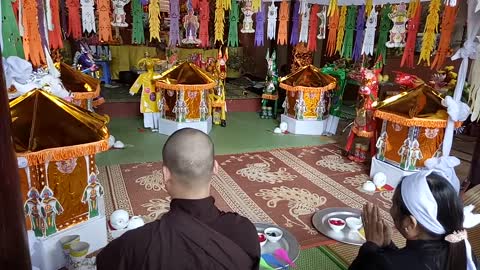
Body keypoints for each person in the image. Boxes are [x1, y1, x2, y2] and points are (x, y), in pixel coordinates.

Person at [96, 128, 260, 269]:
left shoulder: (135, 246)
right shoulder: (244, 232)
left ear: (165, 174)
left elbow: (104, 261)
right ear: (215, 168)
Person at [350, 171, 478, 270]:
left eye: (393, 204)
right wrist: (388, 246)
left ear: (410, 224)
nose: (390, 210)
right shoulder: (462, 250)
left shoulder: (383, 263)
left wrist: (370, 247)